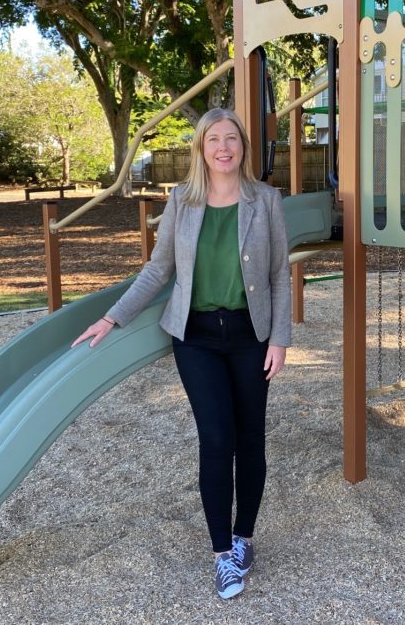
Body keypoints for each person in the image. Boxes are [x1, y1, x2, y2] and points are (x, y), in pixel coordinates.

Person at [72, 108, 291, 599]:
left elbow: (279, 274)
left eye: (231, 139)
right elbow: (156, 271)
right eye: (213, 139)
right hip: (196, 338)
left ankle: (243, 537)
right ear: (201, 149)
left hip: (251, 335)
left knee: (250, 438)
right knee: (217, 439)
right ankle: (221, 556)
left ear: (242, 147)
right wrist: (113, 317)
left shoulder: (267, 201)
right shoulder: (182, 201)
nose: (223, 148)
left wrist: (280, 339)